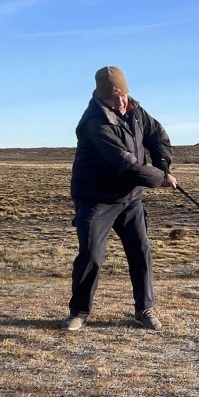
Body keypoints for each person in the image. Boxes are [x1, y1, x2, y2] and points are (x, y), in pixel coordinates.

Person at [62, 66, 177, 332]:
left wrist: (163, 165)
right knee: (91, 255)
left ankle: (145, 309)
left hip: (130, 197)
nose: (121, 103)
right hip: (96, 198)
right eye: (114, 99)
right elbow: (127, 166)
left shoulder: (135, 110)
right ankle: (78, 312)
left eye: (123, 95)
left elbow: (157, 135)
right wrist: (161, 179)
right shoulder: (95, 123)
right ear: (101, 98)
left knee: (140, 251)